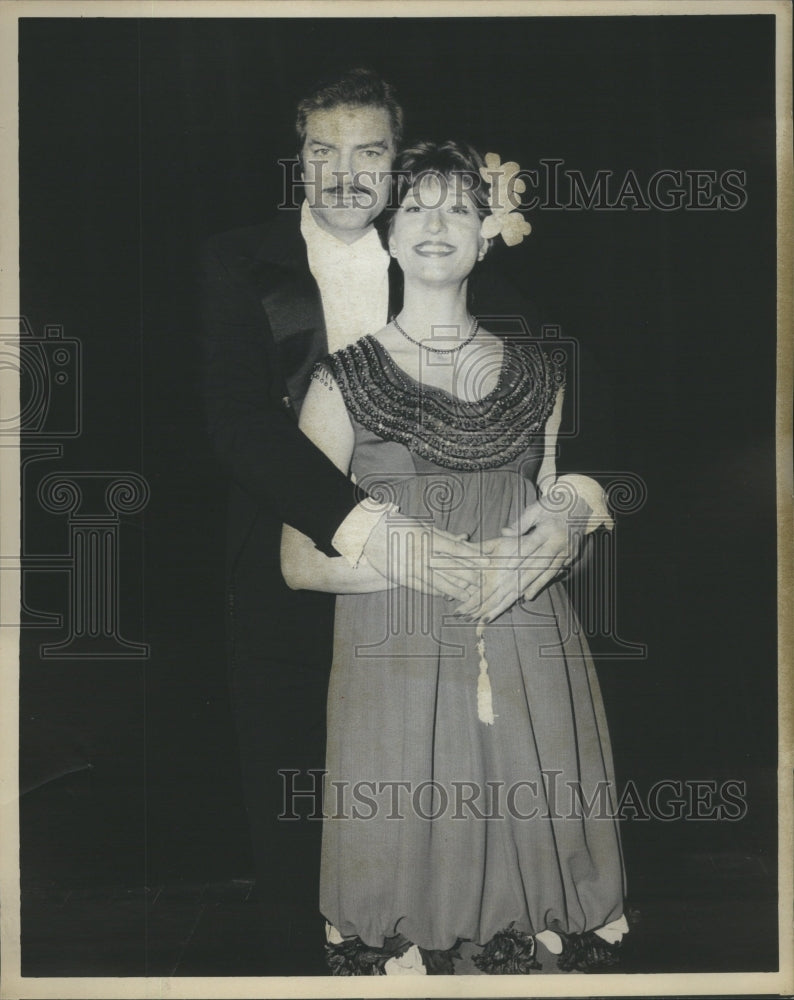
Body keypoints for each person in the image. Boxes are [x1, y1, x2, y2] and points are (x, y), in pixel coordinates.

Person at [201, 67, 607, 973]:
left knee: (473, 822)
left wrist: (581, 496)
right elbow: (235, 425)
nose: (345, 170)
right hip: (303, 573)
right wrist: (370, 531)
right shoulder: (235, 260)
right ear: (295, 160)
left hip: (463, 609)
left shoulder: (441, 253)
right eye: (322, 150)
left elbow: (561, 395)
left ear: (394, 172)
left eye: (370, 152)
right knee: (305, 828)